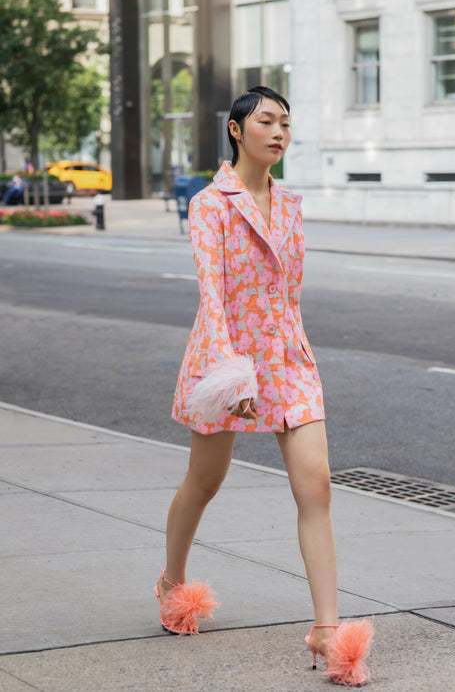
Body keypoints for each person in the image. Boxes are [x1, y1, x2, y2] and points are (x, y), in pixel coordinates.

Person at [154, 86, 374, 685]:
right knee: (206, 480)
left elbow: (289, 293)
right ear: (235, 130)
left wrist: (289, 355)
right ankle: (173, 585)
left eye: (285, 123)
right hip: (226, 357)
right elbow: (213, 295)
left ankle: (328, 634)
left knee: (317, 486)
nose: (278, 132)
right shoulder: (210, 204)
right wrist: (232, 372)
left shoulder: (292, 204)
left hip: (290, 360)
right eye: (266, 121)